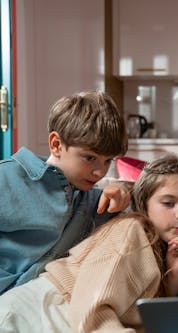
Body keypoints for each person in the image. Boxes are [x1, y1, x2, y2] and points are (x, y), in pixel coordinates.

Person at [0, 154, 178, 331]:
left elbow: (149, 315)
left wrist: (174, 275)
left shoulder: (165, 249)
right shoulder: (131, 230)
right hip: (34, 313)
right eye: (168, 203)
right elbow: (93, 309)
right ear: (144, 204)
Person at [0, 91, 132, 295]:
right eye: (89, 158)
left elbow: (148, 199)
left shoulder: (95, 200)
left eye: (108, 161)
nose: (100, 171)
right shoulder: (8, 177)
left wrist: (124, 189)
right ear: (56, 145)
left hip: (36, 304)